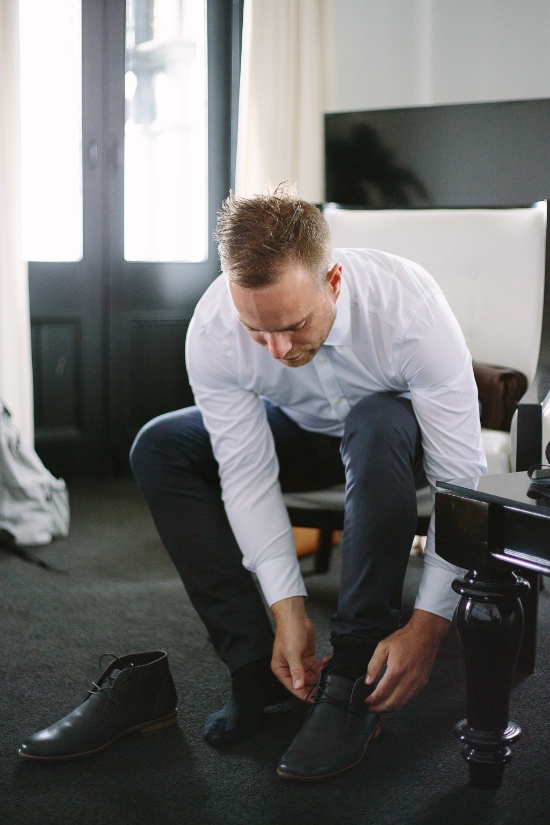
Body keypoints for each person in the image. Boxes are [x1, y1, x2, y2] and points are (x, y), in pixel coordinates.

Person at [18, 184, 486, 779]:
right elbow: (246, 472)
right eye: (256, 331)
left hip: (398, 440)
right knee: (161, 446)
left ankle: (348, 681)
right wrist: (286, 608)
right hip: (301, 434)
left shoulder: (410, 309)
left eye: (293, 325)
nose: (278, 348)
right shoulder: (213, 329)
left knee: (375, 419)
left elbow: (459, 480)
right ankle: (252, 670)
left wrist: (428, 625)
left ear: (333, 282)